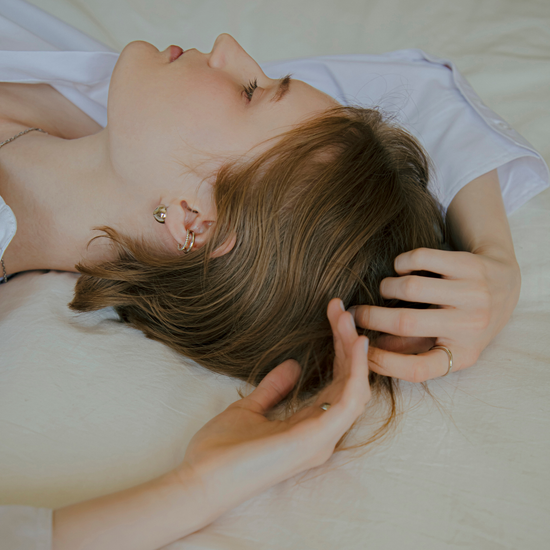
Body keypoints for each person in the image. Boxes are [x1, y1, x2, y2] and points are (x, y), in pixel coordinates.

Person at [1, 1, 548, 548]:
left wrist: (200, 486)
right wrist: (495, 259)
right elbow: (425, 89)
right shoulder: (133, 121)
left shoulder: (144, 121)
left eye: (249, 91)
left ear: (195, 221)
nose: (228, 47)